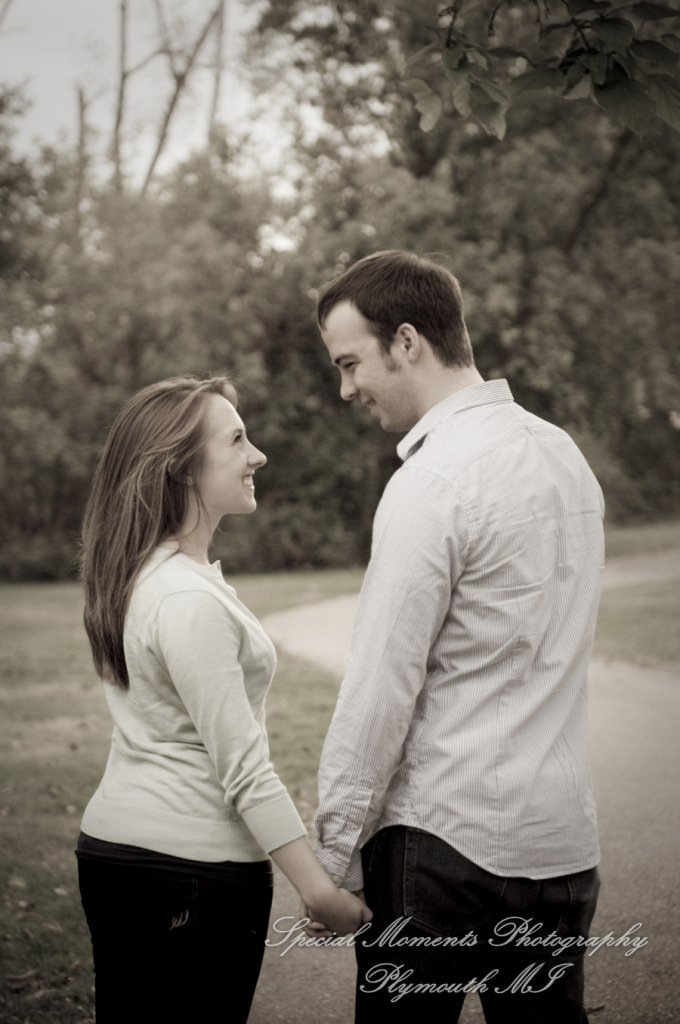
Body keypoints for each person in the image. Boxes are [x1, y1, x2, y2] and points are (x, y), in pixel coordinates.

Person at [313, 251, 604, 1023]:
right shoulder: (565, 457)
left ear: (407, 341)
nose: (346, 389)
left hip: (442, 848)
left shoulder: (431, 482)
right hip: (560, 846)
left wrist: (333, 854)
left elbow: (380, 686)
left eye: (349, 363)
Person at [76, 374, 370, 1024]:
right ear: (182, 469)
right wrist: (320, 890)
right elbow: (243, 768)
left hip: (120, 853)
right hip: (189, 871)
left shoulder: (149, 577)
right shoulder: (186, 598)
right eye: (236, 440)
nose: (257, 454)